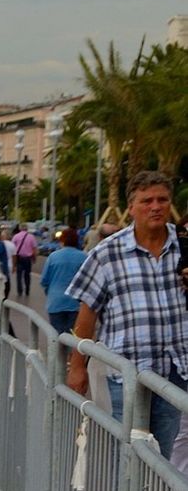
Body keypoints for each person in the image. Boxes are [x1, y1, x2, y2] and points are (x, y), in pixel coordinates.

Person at [66, 171, 188, 457]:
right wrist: (77, 367)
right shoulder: (107, 253)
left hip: (176, 370)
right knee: (129, 455)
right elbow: (87, 315)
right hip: (128, 373)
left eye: (162, 200)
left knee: (163, 457)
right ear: (131, 207)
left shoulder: (185, 246)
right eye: (147, 201)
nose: (155, 206)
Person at [39, 227, 86, 335]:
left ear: (62, 240)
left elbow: (44, 280)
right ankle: (70, 352)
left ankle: (59, 351)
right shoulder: (84, 257)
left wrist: (49, 291)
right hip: (76, 302)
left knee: (57, 336)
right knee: (74, 336)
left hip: (55, 301)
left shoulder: (53, 257)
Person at [11, 223, 37, 297]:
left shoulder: (16, 236)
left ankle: (19, 291)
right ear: (27, 229)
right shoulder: (31, 237)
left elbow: (13, 248)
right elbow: (34, 249)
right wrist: (34, 258)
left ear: (20, 229)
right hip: (27, 259)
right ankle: (27, 290)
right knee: (27, 275)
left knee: (19, 275)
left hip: (19, 258)